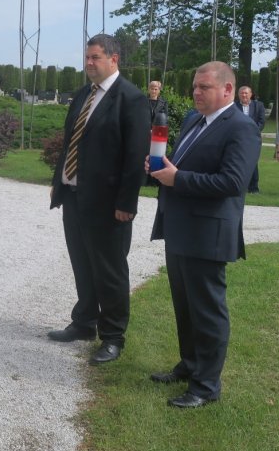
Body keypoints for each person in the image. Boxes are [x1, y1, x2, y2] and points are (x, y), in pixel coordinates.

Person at [148, 61, 261, 409]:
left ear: (228, 90)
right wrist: (160, 167)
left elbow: (232, 182)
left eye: (205, 87)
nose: (196, 92)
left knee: (208, 311)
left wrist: (176, 179)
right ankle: (190, 365)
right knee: (185, 306)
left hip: (208, 234)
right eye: (195, 87)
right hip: (180, 226)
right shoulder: (195, 120)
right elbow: (182, 164)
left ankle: (206, 385)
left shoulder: (242, 128)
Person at [48, 34, 151, 365]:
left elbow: (135, 157)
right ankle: (84, 323)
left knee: (110, 271)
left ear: (114, 59)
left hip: (109, 206)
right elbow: (70, 145)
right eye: (87, 57)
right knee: (82, 264)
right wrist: (59, 182)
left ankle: (113, 337)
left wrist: (127, 204)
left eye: (95, 57)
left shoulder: (131, 99)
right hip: (75, 197)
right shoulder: (83, 95)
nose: (89, 63)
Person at [235, 85, 266, 193]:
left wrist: (251, 133)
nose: (244, 95)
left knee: (253, 162)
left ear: (251, 94)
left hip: (253, 139)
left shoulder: (259, 105)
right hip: (237, 139)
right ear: (238, 95)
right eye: (242, 93)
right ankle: (239, 186)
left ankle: (254, 188)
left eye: (246, 93)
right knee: (236, 163)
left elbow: (262, 122)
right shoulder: (233, 106)